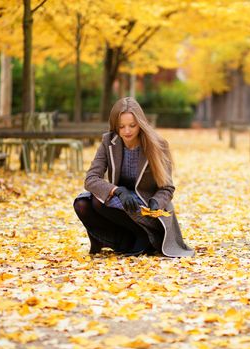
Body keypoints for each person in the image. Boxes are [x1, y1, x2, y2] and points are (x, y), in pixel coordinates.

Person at [73, 97, 194, 257]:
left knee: (101, 201)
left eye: (132, 125)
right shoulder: (108, 142)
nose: (127, 131)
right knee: (83, 203)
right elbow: (91, 179)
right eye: (121, 127)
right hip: (121, 202)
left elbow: (167, 188)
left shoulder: (158, 144)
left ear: (141, 123)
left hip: (146, 208)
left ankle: (145, 236)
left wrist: (156, 202)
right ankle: (123, 240)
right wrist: (118, 190)